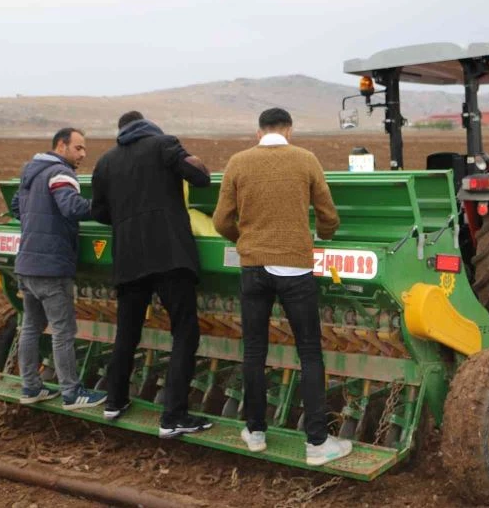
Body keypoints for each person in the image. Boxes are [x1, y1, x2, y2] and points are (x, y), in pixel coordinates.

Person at [212, 108, 352, 466]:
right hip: (295, 269)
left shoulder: (238, 162)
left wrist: (246, 240)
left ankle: (255, 431)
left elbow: (220, 221)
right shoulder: (305, 159)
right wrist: (325, 235)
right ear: (289, 130)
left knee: (255, 350)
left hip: (254, 269)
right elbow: (328, 212)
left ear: (258, 132)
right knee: (309, 352)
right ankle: (318, 444)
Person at [91, 111, 212, 438]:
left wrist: (127, 221)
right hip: (169, 256)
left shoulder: (105, 162)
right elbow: (200, 179)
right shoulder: (164, 145)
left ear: (121, 131)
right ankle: (173, 417)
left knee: (127, 332)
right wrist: (195, 163)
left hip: (129, 260)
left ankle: (114, 402)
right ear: (147, 126)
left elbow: (99, 211)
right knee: (185, 332)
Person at [11, 128, 107, 410]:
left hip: (26, 264)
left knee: (31, 326)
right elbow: (72, 207)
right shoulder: (60, 173)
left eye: (84, 149)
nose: (83, 154)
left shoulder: (31, 171)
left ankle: (30, 387)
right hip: (51, 267)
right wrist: (106, 209)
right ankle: (71, 393)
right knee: (63, 331)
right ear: (61, 145)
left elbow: (18, 207)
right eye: (78, 148)